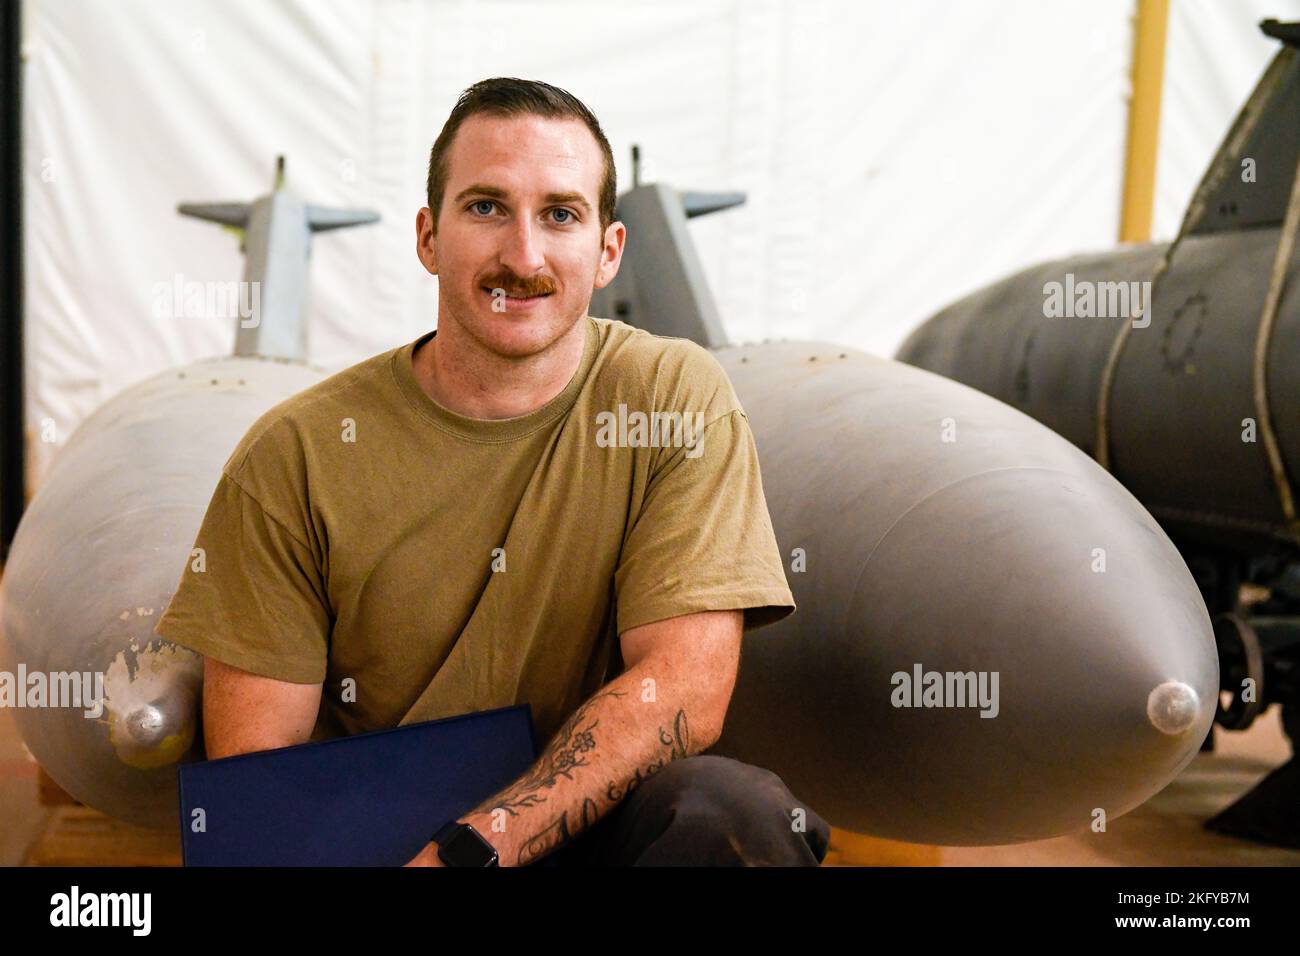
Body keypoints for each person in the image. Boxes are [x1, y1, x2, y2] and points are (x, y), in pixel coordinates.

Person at [154, 76, 829, 867]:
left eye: (561, 215)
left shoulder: (673, 399)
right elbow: (259, 783)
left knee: (731, 814)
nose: (524, 255)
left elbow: (684, 688)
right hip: (375, 843)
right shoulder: (293, 455)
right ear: (428, 237)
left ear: (608, 251)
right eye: (485, 208)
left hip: (577, 823)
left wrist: (474, 853)